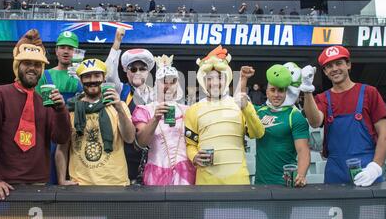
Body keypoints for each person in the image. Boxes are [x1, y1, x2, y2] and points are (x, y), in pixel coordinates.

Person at [0, 29, 71, 200]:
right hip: (4, 186)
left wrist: (61, 110)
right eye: (27, 63)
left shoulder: (45, 100)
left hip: (39, 184)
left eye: (37, 64)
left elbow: (61, 138)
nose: (32, 68)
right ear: (17, 65)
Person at [300, 45, 386, 186]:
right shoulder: (322, 98)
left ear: (348, 65)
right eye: (329, 66)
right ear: (325, 71)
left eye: (339, 63)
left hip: (367, 167)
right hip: (335, 170)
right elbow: (315, 122)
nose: (334, 69)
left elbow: (384, 134)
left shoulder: (369, 92)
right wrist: (307, 90)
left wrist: (375, 167)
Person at [184, 46, 265, 185]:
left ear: (227, 78)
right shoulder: (193, 110)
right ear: (203, 81)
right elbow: (190, 144)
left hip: (238, 181)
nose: (214, 83)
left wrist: (246, 108)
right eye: (209, 78)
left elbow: (258, 133)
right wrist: (194, 157)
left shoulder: (240, 104)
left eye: (219, 77)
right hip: (206, 182)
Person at [55, 58, 135, 186]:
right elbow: (61, 148)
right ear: (81, 80)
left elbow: (130, 138)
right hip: (80, 185)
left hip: (116, 183)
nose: (92, 80)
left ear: (104, 78)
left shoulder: (118, 106)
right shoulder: (70, 109)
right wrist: (61, 180)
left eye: (97, 75)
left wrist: (119, 108)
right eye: (87, 76)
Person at [132, 55, 195, 185]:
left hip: (185, 173)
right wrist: (155, 118)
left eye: (173, 82)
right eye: (164, 81)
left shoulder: (188, 110)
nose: (168, 85)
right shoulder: (145, 110)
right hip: (156, 171)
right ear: (156, 84)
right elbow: (141, 143)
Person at [105, 28, 155, 183]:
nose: (138, 72)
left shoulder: (156, 94)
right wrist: (116, 44)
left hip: (151, 151)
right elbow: (108, 73)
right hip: (124, 150)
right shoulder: (121, 89)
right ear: (126, 72)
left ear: (148, 72)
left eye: (142, 68)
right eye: (133, 69)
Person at [36, 30, 83, 184]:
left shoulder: (83, 77)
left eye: (70, 48)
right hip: (51, 132)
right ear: (56, 50)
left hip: (77, 132)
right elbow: (37, 105)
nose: (66, 51)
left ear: (76, 52)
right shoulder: (44, 75)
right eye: (62, 47)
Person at [254, 64, 310, 186]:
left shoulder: (295, 116)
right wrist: (242, 79)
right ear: (267, 92)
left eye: (281, 90)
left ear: (287, 92)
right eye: (273, 90)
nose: (276, 95)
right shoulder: (258, 112)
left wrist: (300, 175)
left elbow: (303, 150)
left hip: (285, 184)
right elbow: (239, 102)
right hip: (260, 183)